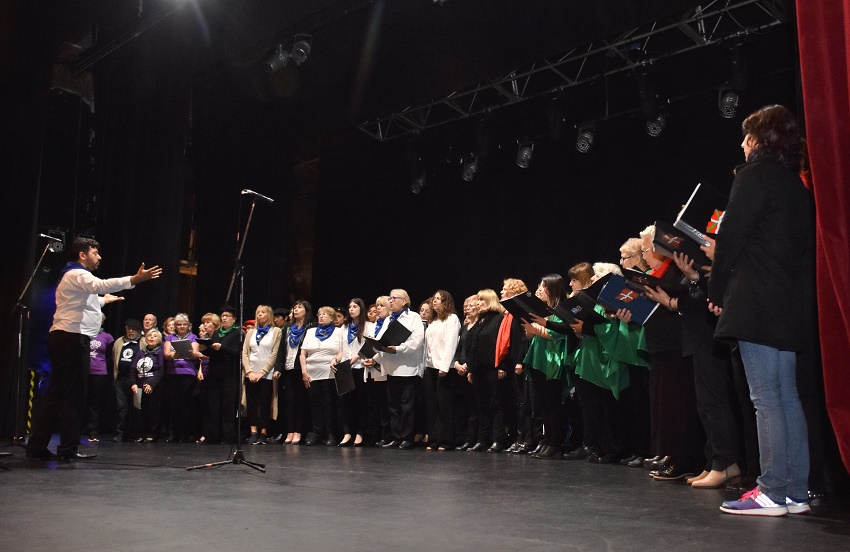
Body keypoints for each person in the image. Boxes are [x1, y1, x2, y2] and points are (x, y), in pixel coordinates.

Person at [708, 105, 813, 516]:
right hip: (788, 304)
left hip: (755, 301)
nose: (741, 143)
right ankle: (796, 491)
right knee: (787, 397)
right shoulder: (795, 185)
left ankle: (771, 490)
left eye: (745, 135)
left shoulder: (753, 176)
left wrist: (715, 291)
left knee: (766, 399)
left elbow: (730, 239)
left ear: (757, 140)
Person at [25, 237, 161, 461]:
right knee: (73, 396)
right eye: (95, 253)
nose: (99, 257)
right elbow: (100, 285)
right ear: (82, 254)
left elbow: (85, 301)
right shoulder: (77, 274)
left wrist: (103, 301)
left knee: (57, 393)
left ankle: (38, 446)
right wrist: (134, 279)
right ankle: (67, 449)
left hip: (64, 338)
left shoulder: (73, 278)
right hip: (71, 339)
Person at [377, 289, 425, 450]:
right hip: (391, 367)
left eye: (393, 298)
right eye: (389, 298)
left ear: (404, 301)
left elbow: (417, 340)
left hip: (407, 367)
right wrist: (377, 348)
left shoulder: (413, 317)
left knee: (407, 405)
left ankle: (407, 437)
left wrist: (398, 349)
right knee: (393, 405)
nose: (390, 301)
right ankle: (396, 436)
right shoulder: (388, 319)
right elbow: (381, 339)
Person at [423, 290, 461, 451]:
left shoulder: (452, 319)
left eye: (439, 299)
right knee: (432, 405)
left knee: (444, 405)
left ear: (446, 302)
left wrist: (445, 367)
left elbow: (451, 344)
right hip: (430, 367)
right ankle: (434, 439)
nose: (435, 301)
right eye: (434, 299)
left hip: (443, 368)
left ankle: (447, 440)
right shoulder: (433, 321)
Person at [301, 306, 343, 446]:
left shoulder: (339, 332)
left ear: (332, 317)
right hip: (312, 373)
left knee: (329, 404)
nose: (321, 316)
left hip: (330, 373)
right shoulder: (311, 331)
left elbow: (343, 351)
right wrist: (304, 372)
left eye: (324, 314)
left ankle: (331, 433)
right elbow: (303, 354)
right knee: (315, 404)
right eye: (319, 314)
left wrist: (335, 359)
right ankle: (317, 432)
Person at [242, 304, 282, 445]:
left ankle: (264, 431)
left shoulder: (276, 331)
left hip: (266, 373)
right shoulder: (251, 332)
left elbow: (274, 353)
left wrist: (263, 372)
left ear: (269, 315)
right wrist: (249, 371)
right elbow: (245, 353)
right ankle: (253, 431)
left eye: (263, 312)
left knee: (265, 403)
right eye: (258, 312)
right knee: (251, 403)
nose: (259, 314)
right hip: (251, 372)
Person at [204, 306, 243, 445]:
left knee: (228, 407)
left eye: (227, 315)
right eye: (223, 315)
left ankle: (228, 437)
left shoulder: (238, 333)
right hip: (215, 374)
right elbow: (212, 352)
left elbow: (238, 353)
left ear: (234, 318)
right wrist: (204, 349)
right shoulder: (216, 333)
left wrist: (222, 348)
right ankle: (213, 435)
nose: (224, 317)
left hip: (229, 375)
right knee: (213, 406)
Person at [279, 300, 314, 445]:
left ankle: (299, 431)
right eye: (294, 307)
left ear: (306, 310)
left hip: (301, 369)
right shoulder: (287, 328)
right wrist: (278, 368)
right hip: (288, 369)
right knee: (289, 402)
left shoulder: (310, 327)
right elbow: (281, 350)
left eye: (299, 307)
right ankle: (290, 430)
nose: (296, 309)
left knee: (300, 401)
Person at [163, 313, 202, 443]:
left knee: (185, 404)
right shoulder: (170, 337)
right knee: (174, 404)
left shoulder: (193, 337)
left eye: (184, 324)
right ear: (175, 326)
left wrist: (184, 353)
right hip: (172, 373)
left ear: (188, 325)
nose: (182, 326)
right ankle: (174, 433)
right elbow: (166, 354)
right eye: (179, 324)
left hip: (187, 373)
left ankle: (185, 434)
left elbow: (194, 354)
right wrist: (174, 354)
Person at [111, 318, 144, 442]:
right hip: (120, 379)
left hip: (136, 380)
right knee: (121, 407)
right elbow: (114, 356)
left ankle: (135, 433)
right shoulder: (119, 341)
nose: (131, 331)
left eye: (134, 329)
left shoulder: (143, 341)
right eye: (129, 329)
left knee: (136, 408)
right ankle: (119, 433)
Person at [131, 329, 165, 442]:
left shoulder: (159, 351)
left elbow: (161, 370)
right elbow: (132, 369)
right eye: (150, 336)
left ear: (159, 340)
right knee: (140, 411)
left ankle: (152, 434)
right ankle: (141, 434)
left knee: (153, 410)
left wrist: (151, 384)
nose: (151, 338)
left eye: (155, 336)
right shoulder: (141, 352)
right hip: (140, 385)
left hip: (153, 386)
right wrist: (134, 383)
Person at [86, 315, 114, 442]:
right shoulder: (85, 334)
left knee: (95, 403)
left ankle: (93, 432)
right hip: (84, 372)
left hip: (99, 372)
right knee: (80, 400)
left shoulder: (107, 337)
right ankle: (78, 430)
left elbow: (110, 354)